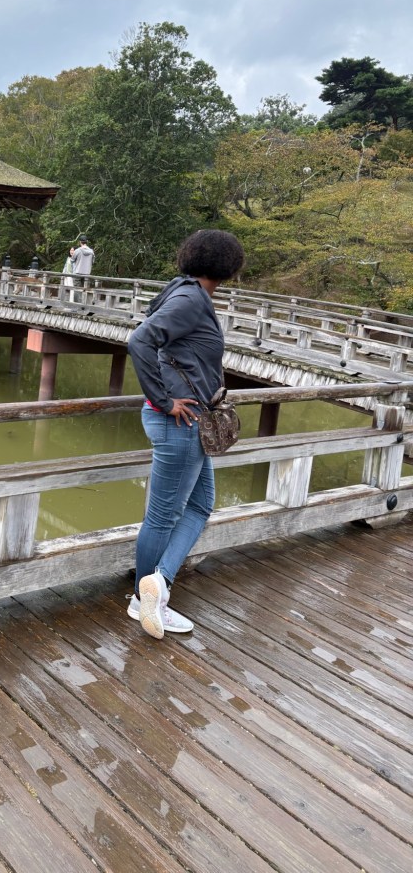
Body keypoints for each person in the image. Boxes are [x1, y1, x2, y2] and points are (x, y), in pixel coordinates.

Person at [126, 229, 245, 639]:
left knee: (200, 506)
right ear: (228, 265)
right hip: (179, 422)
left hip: (187, 423)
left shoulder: (184, 292)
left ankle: (155, 585)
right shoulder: (191, 299)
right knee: (163, 516)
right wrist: (163, 401)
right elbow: (140, 341)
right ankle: (145, 599)